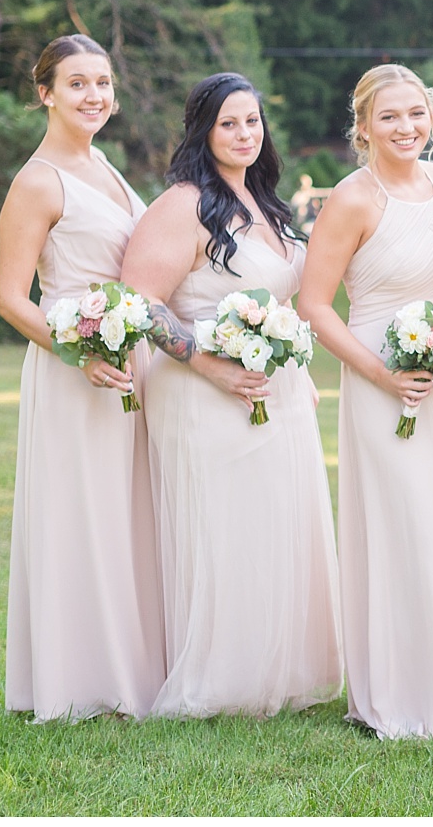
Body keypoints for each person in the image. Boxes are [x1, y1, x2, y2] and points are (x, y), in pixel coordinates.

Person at [122, 72, 341, 718]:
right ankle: (223, 680)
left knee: (275, 524)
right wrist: (209, 365)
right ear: (203, 130)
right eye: (229, 123)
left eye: (253, 121)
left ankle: (277, 668)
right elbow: (140, 301)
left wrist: (300, 374)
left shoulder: (265, 202)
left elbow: (287, 299)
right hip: (203, 392)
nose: (245, 134)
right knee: (228, 531)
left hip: (276, 388)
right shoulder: (184, 204)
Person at [296, 65, 433, 740]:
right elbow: (315, 305)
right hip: (381, 379)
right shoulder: (352, 200)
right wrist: (382, 376)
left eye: (416, 113)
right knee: (411, 529)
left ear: (431, 117)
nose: (406, 128)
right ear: (364, 127)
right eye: (390, 117)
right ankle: (405, 697)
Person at [0, 34, 164, 721]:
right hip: (75, 370)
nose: (94, 95)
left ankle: (135, 668)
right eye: (77, 83)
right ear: (46, 93)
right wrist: (79, 353)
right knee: (83, 514)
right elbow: (12, 298)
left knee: (127, 514)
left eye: (103, 82)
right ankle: (81, 681)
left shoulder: (107, 167)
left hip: (129, 363)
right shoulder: (38, 181)